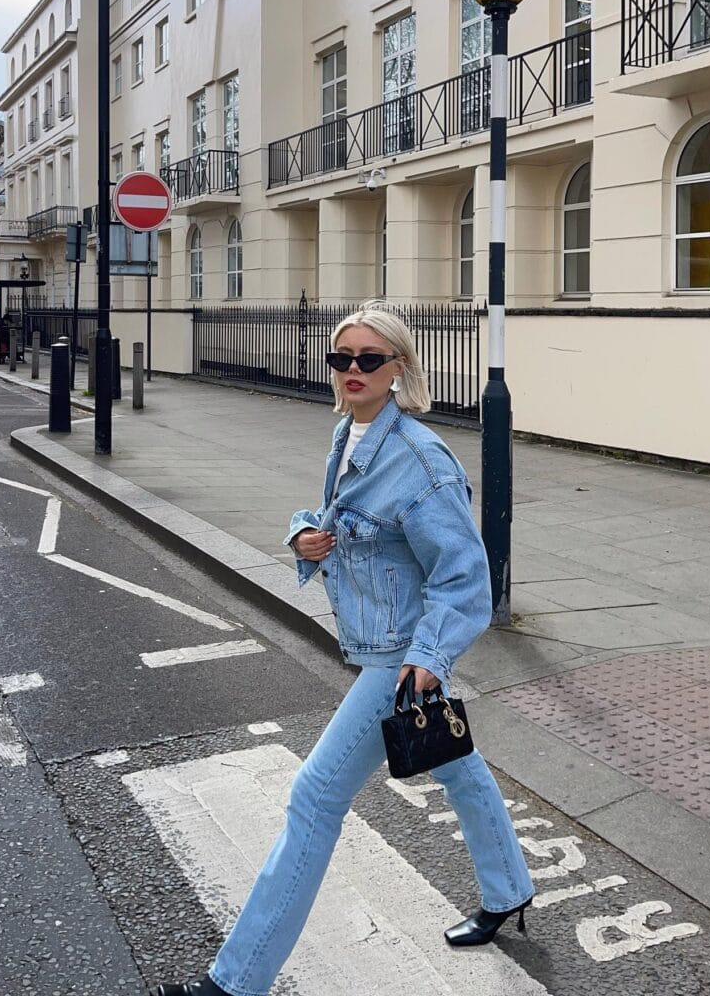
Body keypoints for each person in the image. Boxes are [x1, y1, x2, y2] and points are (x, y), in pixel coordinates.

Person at [153, 303, 534, 996]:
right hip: (389, 644)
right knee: (454, 765)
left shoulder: (420, 460)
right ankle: (509, 889)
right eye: (342, 358)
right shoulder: (350, 434)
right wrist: (303, 533)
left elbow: (465, 575)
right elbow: (338, 518)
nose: (353, 371)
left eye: (369, 359)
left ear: (400, 368)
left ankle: (235, 983)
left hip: (402, 655)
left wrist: (431, 657)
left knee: (316, 795)